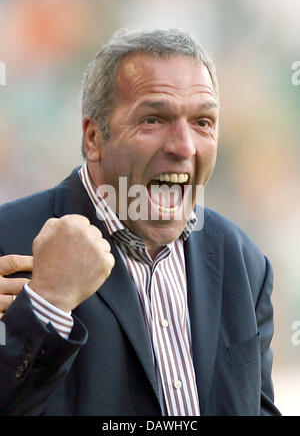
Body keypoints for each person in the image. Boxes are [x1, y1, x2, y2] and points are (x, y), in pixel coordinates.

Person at [0, 28, 280, 416]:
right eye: (153, 119)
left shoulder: (244, 261)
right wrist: (47, 305)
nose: (183, 146)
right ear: (94, 137)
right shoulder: (8, 245)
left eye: (203, 122)